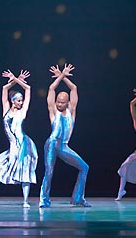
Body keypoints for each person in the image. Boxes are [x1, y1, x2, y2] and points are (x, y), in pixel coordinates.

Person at [0, 70, 38, 208]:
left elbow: (28, 89)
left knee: (25, 171)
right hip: (12, 147)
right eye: (18, 100)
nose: (20, 103)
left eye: (21, 101)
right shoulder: (6, 109)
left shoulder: (22, 112)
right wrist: (14, 79)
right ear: (13, 101)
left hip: (23, 145)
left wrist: (17, 80)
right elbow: (4, 89)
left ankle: (25, 201)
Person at [39, 63, 90, 208]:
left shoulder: (71, 111)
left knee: (84, 167)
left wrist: (65, 76)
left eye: (62, 102)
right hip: (52, 144)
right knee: (49, 171)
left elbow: (74, 88)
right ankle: (44, 199)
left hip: (64, 146)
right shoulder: (53, 110)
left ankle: (78, 198)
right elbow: (51, 88)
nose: (59, 104)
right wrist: (61, 75)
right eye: (58, 102)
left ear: (68, 103)